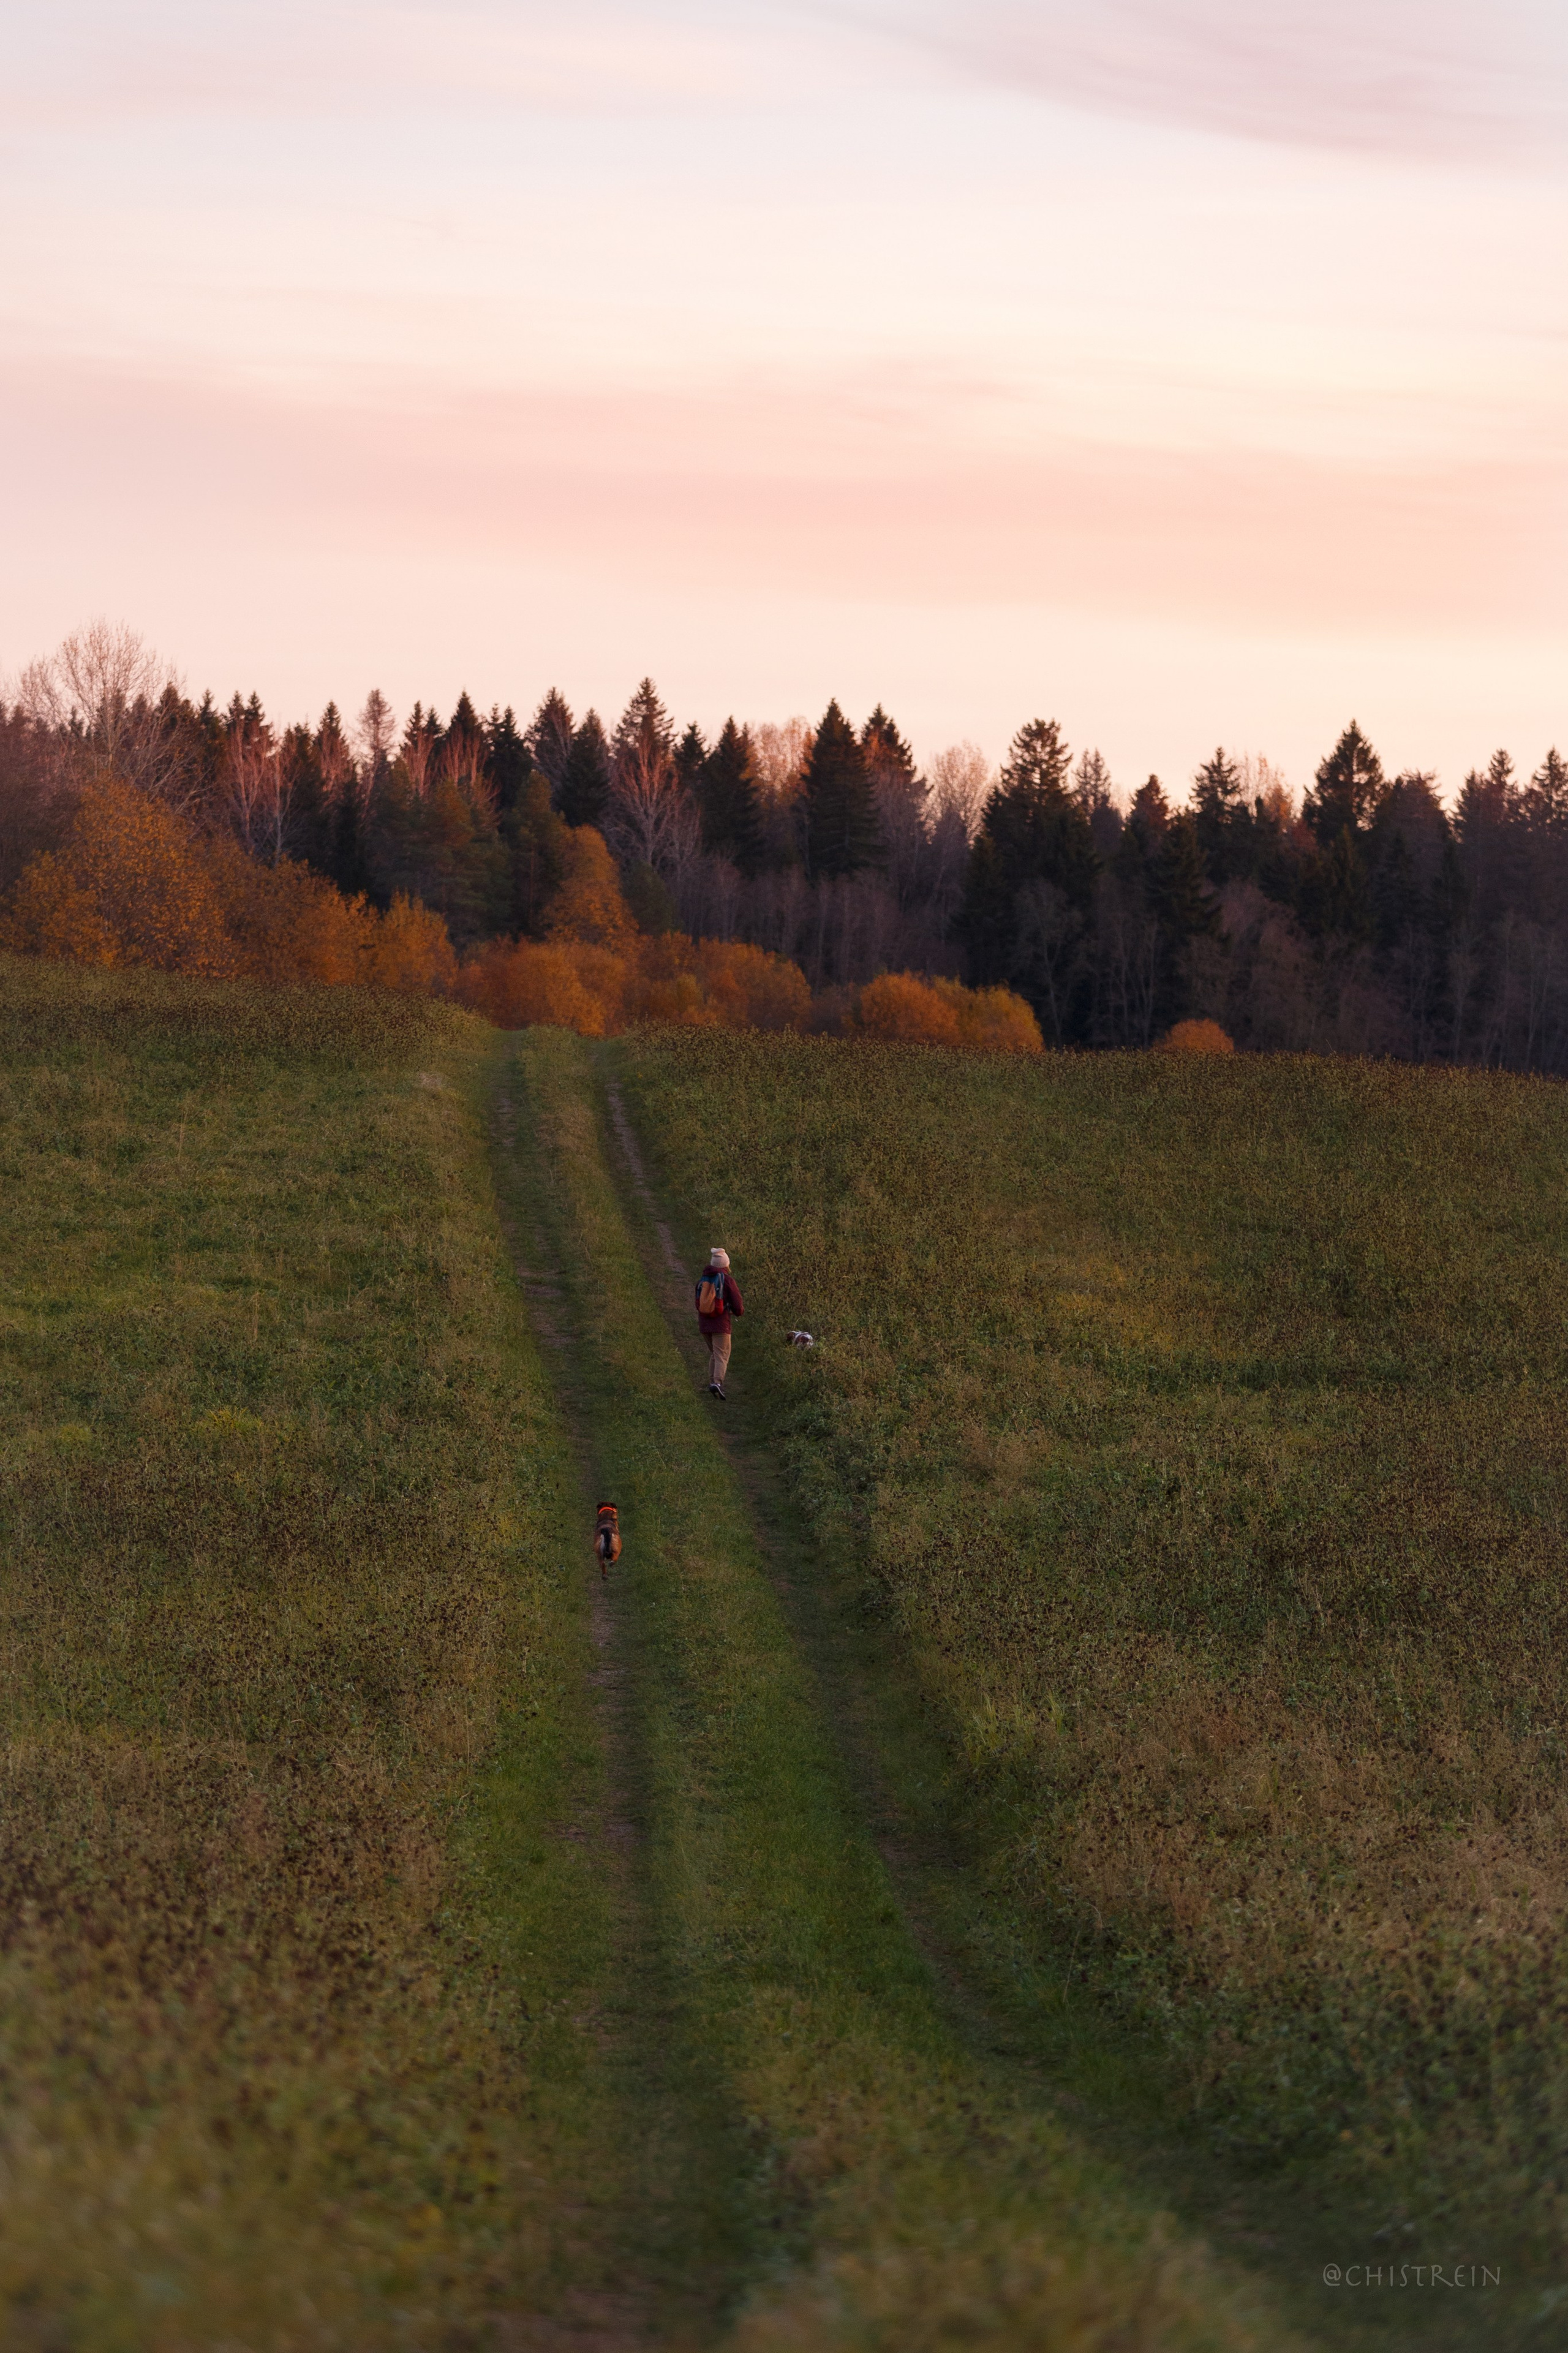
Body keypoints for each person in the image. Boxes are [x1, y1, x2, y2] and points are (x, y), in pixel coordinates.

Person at [695, 1247, 744, 1400]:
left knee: (716, 1354)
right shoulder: (727, 1280)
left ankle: (712, 1383)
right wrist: (737, 1312)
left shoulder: (702, 1281)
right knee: (722, 1354)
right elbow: (738, 1305)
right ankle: (717, 1382)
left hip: (704, 1325)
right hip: (721, 1325)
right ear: (725, 1264)